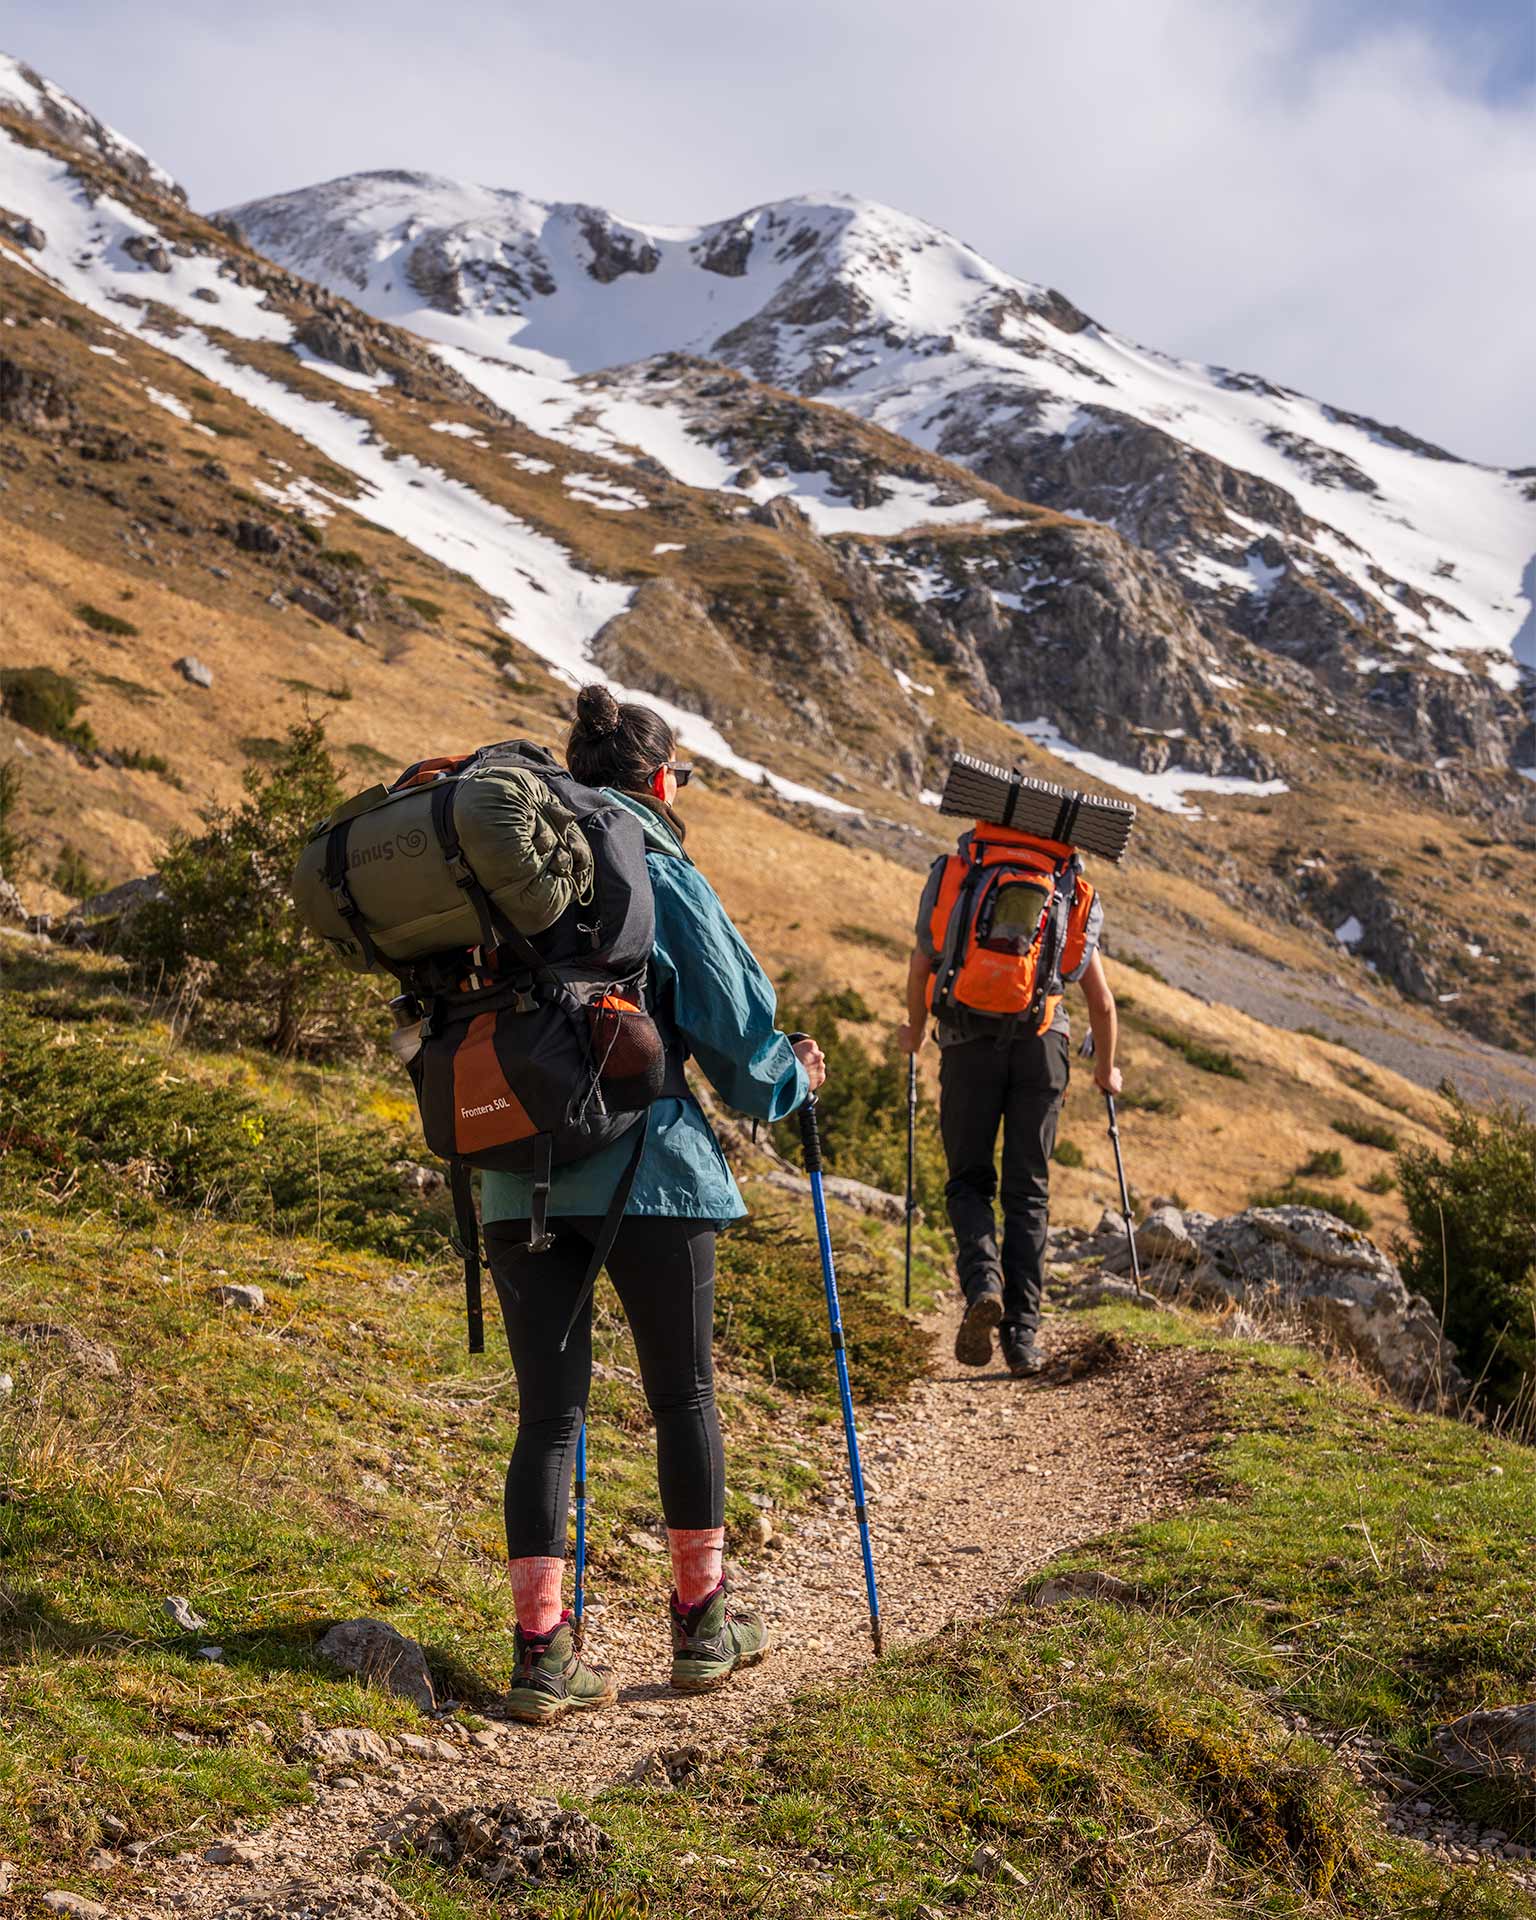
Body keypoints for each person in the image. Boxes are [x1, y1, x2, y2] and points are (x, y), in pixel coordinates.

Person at [482, 685, 825, 1725]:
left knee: (548, 1416)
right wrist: (790, 1080)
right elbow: (731, 1024)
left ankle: (541, 1653)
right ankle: (701, 1625)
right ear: (659, 778)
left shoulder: (514, 864)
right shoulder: (652, 858)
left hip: (509, 1161)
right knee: (681, 1396)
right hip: (651, 1169)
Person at [898, 831, 1120, 1377]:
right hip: (1042, 1047)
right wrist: (1105, 1069)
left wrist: (915, 1028)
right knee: (1029, 1193)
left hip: (967, 1041)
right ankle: (1023, 1337)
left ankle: (983, 1284)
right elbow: (1103, 1002)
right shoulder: (1063, 890)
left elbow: (923, 962)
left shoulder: (964, 875)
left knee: (968, 1180)